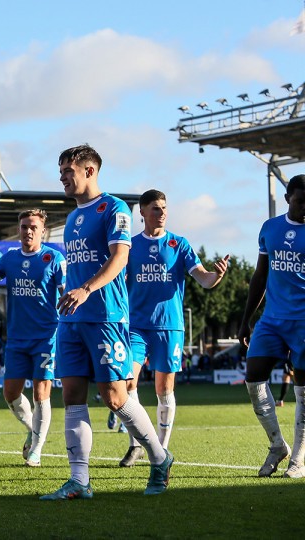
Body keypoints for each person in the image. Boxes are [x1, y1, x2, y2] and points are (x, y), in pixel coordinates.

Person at [41, 144, 172, 500]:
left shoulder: (113, 209)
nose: (62, 177)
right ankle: (79, 481)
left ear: (89, 171)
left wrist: (85, 289)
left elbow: (119, 258)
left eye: (68, 170)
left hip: (106, 316)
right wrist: (71, 293)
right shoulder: (71, 217)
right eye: (61, 171)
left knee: (115, 397)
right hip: (71, 319)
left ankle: (160, 457)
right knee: (71, 395)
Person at [116, 189, 229, 466]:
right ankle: (137, 444)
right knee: (126, 383)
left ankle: (161, 452)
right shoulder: (129, 246)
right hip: (136, 326)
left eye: (164, 208)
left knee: (164, 389)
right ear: (142, 212)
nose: (162, 213)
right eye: (155, 208)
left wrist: (216, 276)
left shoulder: (179, 244)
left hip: (170, 326)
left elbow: (203, 279)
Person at [239, 174, 305, 478]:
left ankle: (299, 460)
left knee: (302, 389)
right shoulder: (270, 228)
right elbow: (260, 276)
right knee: (254, 378)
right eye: (300, 201)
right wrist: (246, 319)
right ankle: (278, 445)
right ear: (289, 197)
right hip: (272, 320)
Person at [0, 209, 66, 467]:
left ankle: (36, 449)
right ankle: (32, 428)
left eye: (33, 227)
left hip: (46, 337)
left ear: (43, 230)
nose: (28, 231)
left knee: (40, 392)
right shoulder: (9, 259)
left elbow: (66, 292)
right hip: (16, 339)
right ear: (19, 229)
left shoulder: (54, 258)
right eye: (24, 226)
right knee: (10, 393)